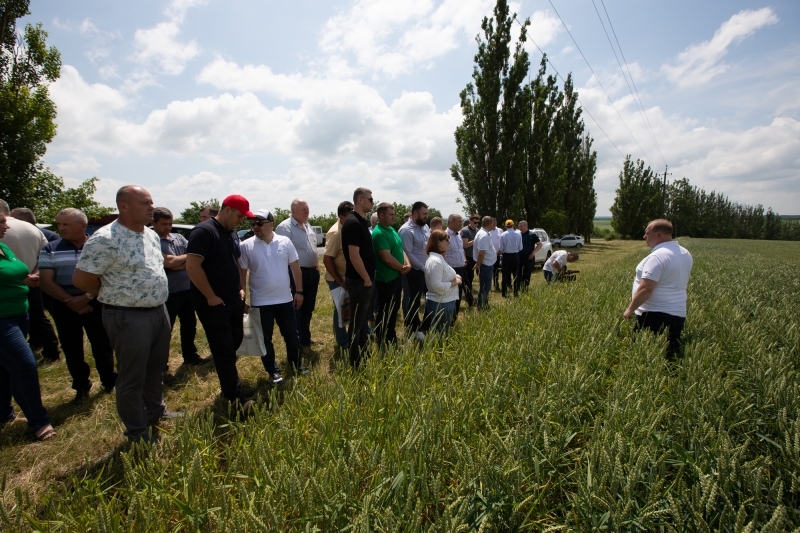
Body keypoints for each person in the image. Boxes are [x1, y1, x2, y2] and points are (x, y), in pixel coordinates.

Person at [73, 186, 180, 443]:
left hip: (158, 311)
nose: (151, 208)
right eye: (145, 203)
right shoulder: (105, 238)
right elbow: (82, 279)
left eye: (151, 202)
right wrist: (116, 294)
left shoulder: (151, 235)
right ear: (124, 206)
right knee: (132, 377)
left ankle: (156, 411)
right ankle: (137, 431)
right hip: (127, 316)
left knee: (155, 369)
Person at [39, 208, 117, 403]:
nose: (61, 228)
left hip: (95, 303)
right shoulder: (50, 248)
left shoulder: (98, 246)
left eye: (66, 224)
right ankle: (81, 387)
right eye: (59, 224)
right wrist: (70, 301)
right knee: (72, 348)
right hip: (64, 307)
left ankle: (110, 381)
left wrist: (87, 297)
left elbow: (107, 275)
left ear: (83, 225)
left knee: (103, 344)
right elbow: (46, 281)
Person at [186, 195, 255, 407]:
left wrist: (240, 289)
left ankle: (232, 382)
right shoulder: (204, 232)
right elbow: (192, 266)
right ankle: (233, 396)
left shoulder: (231, 233)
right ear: (227, 210)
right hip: (213, 303)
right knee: (223, 348)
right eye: (239, 216)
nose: (241, 221)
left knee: (234, 341)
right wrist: (210, 296)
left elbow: (236, 263)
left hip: (233, 299)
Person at [0, 211, 56, 441]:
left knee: (4, 368)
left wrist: (27, 279)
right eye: (1, 221)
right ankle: (39, 421)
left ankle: (4, 414)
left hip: (19, 313)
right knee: (25, 365)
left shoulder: (4, 247)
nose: (7, 225)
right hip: (2, 320)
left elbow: (13, 273)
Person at [240, 210, 305, 383]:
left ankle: (296, 364)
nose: (255, 227)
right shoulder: (246, 245)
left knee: (292, 335)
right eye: (252, 223)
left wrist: (299, 292)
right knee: (264, 340)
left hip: (285, 300)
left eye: (259, 223)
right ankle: (273, 371)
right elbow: (242, 274)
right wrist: (243, 298)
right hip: (261, 303)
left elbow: (296, 269)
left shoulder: (285, 242)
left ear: (271, 224)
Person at [623, 219, 693, 360]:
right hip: (678, 314)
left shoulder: (658, 256)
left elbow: (646, 289)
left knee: (643, 357)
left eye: (647, 233)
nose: (644, 237)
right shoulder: (685, 254)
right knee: (669, 356)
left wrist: (630, 309)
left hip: (652, 315)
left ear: (659, 234)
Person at [0, 200, 60, 362]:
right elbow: (47, 255)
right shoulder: (32, 229)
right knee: (38, 316)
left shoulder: (5, 236)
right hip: (33, 280)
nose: (5, 226)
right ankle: (51, 349)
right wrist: (36, 274)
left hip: (7, 288)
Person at [152, 207, 210, 368]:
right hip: (168, 293)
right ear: (154, 223)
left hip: (187, 289)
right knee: (165, 330)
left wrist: (177, 262)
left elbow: (194, 259)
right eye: (163, 224)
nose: (167, 227)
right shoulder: (152, 240)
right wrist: (182, 261)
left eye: (170, 223)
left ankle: (190, 355)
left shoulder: (178, 237)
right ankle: (161, 364)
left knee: (189, 325)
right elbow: (167, 262)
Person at [275, 199, 320, 349]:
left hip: (312, 273)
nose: (307, 212)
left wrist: (316, 265)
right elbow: (280, 255)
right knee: (297, 308)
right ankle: (296, 342)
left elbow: (311, 247)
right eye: (303, 209)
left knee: (308, 308)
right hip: (296, 274)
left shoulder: (308, 226)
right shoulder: (284, 228)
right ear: (293, 211)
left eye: (307, 208)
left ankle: (305, 338)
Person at [341, 188, 375, 367]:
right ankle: (355, 361)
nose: (373, 202)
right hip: (359, 281)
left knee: (361, 321)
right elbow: (354, 256)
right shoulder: (353, 223)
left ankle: (362, 353)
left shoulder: (360, 221)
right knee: (356, 322)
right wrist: (366, 278)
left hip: (363, 280)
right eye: (370, 199)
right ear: (360, 200)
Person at [371, 202, 410, 346]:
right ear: (381, 215)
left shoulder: (391, 229)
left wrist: (407, 262)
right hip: (386, 280)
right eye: (391, 214)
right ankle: (382, 340)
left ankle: (391, 335)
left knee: (394, 309)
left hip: (396, 277)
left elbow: (400, 248)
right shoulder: (379, 233)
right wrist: (402, 267)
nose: (394, 217)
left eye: (394, 214)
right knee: (385, 311)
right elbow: (386, 258)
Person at [323, 201, 354, 351]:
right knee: (340, 309)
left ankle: (352, 335)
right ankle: (342, 341)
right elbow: (327, 259)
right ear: (341, 217)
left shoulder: (348, 228)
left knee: (349, 308)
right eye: (350, 215)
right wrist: (340, 280)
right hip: (337, 279)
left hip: (347, 278)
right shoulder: (336, 232)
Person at [398, 201, 430, 337]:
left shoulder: (425, 227)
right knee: (414, 300)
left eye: (427, 214)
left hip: (427, 269)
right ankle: (414, 328)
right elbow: (408, 253)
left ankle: (426, 325)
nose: (426, 217)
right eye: (424, 214)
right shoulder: (406, 230)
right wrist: (423, 268)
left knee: (430, 297)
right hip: (414, 272)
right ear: (415, 213)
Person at [423, 230, 461, 335]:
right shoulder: (435, 261)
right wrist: (454, 282)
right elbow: (436, 285)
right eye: (446, 240)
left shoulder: (438, 258)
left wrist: (454, 276)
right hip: (441, 303)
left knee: (441, 333)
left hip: (444, 301)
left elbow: (443, 275)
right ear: (438, 242)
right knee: (441, 334)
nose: (449, 242)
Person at [444, 214, 470, 321]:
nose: (461, 224)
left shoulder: (458, 235)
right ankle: (447, 319)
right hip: (450, 270)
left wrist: (463, 259)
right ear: (451, 222)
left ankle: (453, 319)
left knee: (458, 295)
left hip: (460, 269)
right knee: (451, 296)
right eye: (459, 222)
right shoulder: (445, 236)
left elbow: (460, 249)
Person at [472, 216, 497, 310]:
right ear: (490, 224)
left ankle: (484, 304)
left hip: (487, 264)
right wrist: (478, 264)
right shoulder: (484, 235)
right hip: (486, 265)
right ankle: (482, 306)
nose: (494, 225)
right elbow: (481, 252)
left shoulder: (483, 233)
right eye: (493, 223)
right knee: (485, 287)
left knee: (485, 286)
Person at [500, 219, 522, 297]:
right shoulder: (518, 234)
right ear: (513, 225)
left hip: (506, 256)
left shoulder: (503, 235)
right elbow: (520, 247)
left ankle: (504, 293)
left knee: (505, 275)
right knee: (516, 274)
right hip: (515, 255)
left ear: (506, 226)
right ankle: (515, 292)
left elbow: (501, 248)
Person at [460, 214, 479, 305]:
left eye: (477, 223)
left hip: (474, 256)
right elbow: (465, 245)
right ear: (470, 221)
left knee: (471, 277)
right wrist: (476, 240)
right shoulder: (465, 231)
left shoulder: (477, 230)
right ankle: (467, 294)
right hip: (467, 257)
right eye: (475, 222)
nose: (476, 224)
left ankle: (468, 293)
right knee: (468, 277)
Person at [517, 221, 541, 291]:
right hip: (519, 257)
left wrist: (533, 252)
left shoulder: (532, 235)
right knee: (518, 273)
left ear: (526, 226)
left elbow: (539, 244)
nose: (520, 228)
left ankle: (525, 288)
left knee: (526, 274)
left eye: (521, 226)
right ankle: (518, 287)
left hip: (529, 257)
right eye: (519, 226)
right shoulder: (519, 235)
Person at [490, 218, 503, 290]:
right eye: (493, 222)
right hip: (490, 254)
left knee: (496, 269)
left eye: (495, 222)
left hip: (497, 253)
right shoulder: (488, 231)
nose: (494, 223)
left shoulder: (500, 230)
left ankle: (496, 283)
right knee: (489, 269)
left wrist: (500, 250)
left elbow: (502, 241)